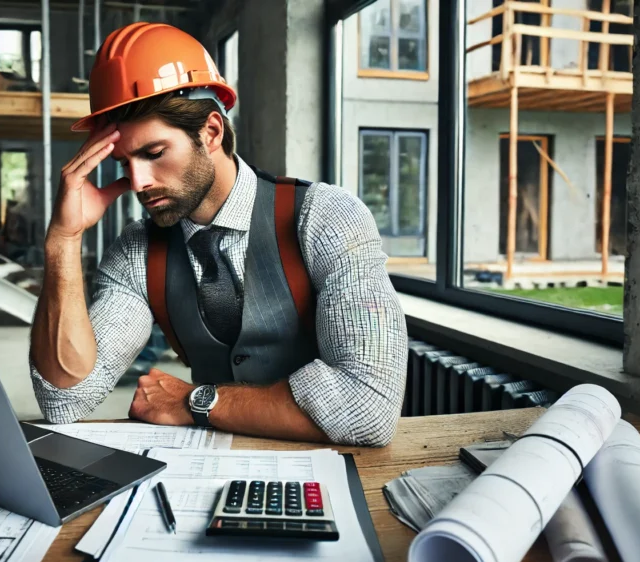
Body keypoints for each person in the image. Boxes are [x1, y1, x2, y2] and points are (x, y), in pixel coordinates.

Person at [29, 22, 407, 447]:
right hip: (206, 476)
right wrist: (63, 240)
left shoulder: (327, 218)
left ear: (211, 132)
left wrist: (196, 401)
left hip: (331, 472)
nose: (137, 182)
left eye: (153, 154)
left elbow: (370, 408)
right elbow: (64, 399)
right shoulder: (138, 252)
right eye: (123, 163)